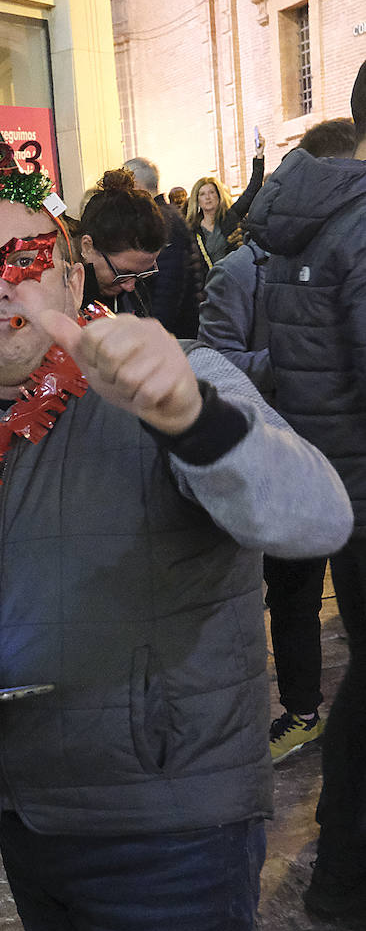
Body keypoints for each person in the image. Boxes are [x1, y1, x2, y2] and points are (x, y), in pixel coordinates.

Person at [0, 113, 352, 931]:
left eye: (22, 261)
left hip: (170, 836)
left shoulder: (168, 377)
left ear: (69, 273)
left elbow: (315, 518)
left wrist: (188, 419)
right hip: (28, 829)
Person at [243, 64, 366, 923]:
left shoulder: (319, 216)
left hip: (342, 486)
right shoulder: (359, 224)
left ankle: (343, 864)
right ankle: (348, 874)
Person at [198, 116, 358, 765]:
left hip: (342, 457)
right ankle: (301, 710)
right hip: (277, 452)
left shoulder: (339, 251)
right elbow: (216, 363)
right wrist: (297, 363)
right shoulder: (238, 270)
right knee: (290, 596)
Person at [122, 156, 201, 337]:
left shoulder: (161, 221)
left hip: (173, 331)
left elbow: (168, 283)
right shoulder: (160, 217)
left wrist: (157, 330)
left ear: (136, 187)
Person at [75, 169, 166, 318]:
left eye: (142, 274)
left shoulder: (135, 292)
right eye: (123, 274)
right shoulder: (62, 302)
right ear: (87, 247)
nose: (130, 287)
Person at [187, 135, 265, 284]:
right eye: (203, 194)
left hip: (237, 280)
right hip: (210, 286)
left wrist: (259, 156)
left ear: (218, 195)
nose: (208, 197)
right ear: (197, 200)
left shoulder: (230, 216)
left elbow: (252, 190)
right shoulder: (193, 230)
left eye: (211, 192)